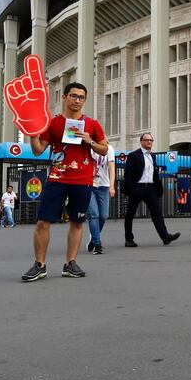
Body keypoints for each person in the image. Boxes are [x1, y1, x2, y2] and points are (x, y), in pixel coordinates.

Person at [21, 82, 109, 282]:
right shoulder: (53, 123)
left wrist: (90, 141)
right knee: (43, 221)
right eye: (73, 96)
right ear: (64, 97)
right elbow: (37, 150)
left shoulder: (92, 124)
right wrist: (32, 131)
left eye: (81, 97)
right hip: (57, 178)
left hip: (83, 180)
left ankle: (71, 263)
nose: (77, 100)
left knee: (77, 222)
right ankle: (40, 265)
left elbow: (104, 149)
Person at [123, 133, 180, 247]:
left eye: (151, 140)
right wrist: (131, 189)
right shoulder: (134, 155)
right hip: (137, 188)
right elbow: (128, 174)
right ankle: (129, 239)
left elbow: (153, 173)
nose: (149, 142)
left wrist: (157, 187)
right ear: (141, 141)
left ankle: (165, 236)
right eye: (147, 140)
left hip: (150, 188)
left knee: (157, 212)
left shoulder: (152, 156)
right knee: (130, 214)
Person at [87, 143, 116, 254]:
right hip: (88, 185)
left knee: (103, 216)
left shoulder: (109, 149)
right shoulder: (88, 148)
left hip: (103, 185)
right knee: (94, 215)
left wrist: (112, 186)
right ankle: (97, 244)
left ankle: (93, 238)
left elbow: (112, 169)